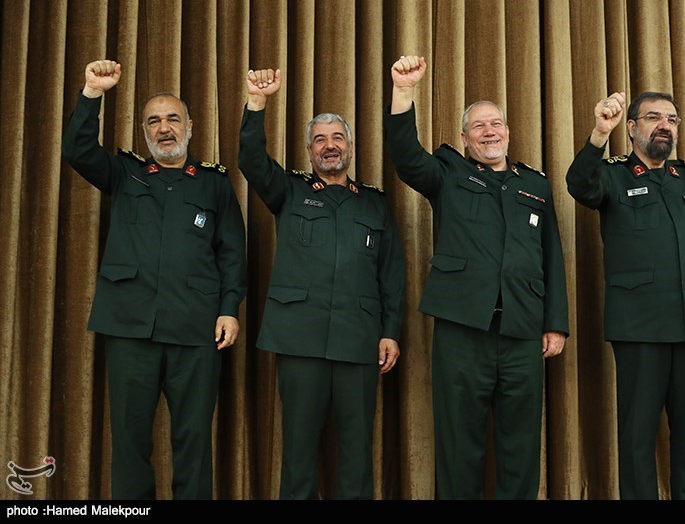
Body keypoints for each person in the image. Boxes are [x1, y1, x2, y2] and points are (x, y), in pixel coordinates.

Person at [385, 55, 569, 500]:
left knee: (520, 445)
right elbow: (407, 158)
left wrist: (555, 324)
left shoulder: (535, 185)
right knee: (459, 444)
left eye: (496, 124)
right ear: (465, 138)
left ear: (508, 132)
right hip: (462, 331)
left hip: (523, 332)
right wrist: (404, 92)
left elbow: (552, 256)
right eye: (479, 126)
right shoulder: (448, 173)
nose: (490, 132)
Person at [61, 60, 247, 499]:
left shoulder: (214, 183)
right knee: (129, 441)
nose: (164, 128)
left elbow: (232, 253)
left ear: (190, 127)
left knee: (193, 441)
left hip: (196, 330)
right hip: (130, 328)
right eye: (153, 121)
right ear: (144, 131)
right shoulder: (124, 174)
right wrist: (92, 93)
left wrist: (229, 309)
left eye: (172, 119)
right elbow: (77, 150)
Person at [238, 68, 406, 500]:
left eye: (337, 138)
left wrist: (390, 332)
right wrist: (257, 103)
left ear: (349, 146)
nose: (329, 146)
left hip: (358, 340)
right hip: (300, 338)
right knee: (298, 451)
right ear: (310, 150)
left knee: (357, 452)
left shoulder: (374, 203)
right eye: (319, 140)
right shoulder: (288, 190)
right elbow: (251, 160)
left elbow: (391, 273)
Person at [565, 91, 685, 499]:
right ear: (632, 127)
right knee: (637, 434)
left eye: (672, 120)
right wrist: (599, 134)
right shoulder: (612, 175)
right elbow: (580, 186)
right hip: (639, 325)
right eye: (653, 117)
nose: (664, 126)